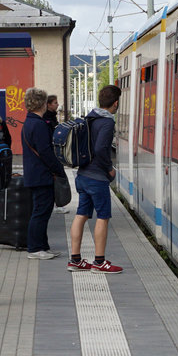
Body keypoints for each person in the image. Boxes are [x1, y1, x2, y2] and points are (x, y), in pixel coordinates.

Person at [67, 85, 123, 274]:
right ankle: (99, 262)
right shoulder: (107, 122)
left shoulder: (90, 118)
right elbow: (100, 149)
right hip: (97, 178)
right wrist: (110, 169)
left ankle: (75, 260)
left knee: (81, 215)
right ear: (115, 103)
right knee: (103, 217)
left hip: (82, 175)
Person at [21, 87, 63, 260]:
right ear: (42, 103)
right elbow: (45, 151)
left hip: (34, 173)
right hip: (41, 175)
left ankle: (43, 246)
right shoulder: (38, 124)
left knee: (42, 212)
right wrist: (58, 169)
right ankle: (35, 248)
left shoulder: (28, 122)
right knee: (40, 212)